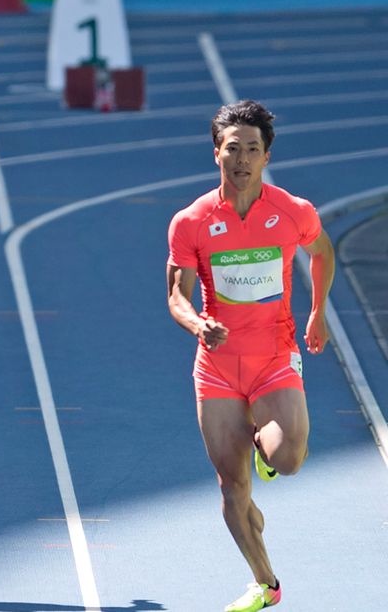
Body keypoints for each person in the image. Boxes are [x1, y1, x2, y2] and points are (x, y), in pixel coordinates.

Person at [166, 100, 335, 612]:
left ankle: (267, 452)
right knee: (231, 488)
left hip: (275, 356)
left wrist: (317, 312)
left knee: (287, 461)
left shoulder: (293, 212)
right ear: (215, 153)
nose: (241, 160)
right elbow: (176, 295)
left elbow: (323, 252)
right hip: (216, 366)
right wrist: (198, 322)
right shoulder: (192, 221)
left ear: (266, 157)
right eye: (232, 149)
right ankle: (266, 583)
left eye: (252, 150)